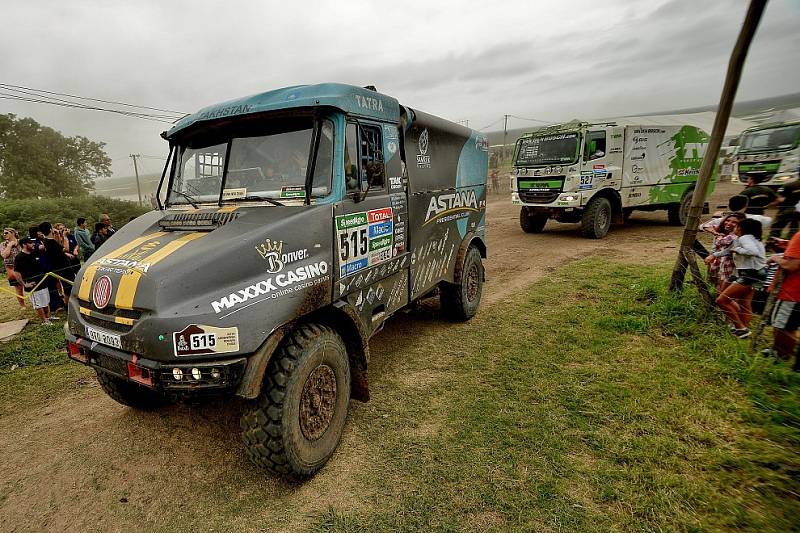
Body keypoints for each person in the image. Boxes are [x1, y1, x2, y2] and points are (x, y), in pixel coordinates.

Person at [714, 218, 767, 338]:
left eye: (737, 226)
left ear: (742, 228)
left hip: (750, 274)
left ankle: (740, 328)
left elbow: (751, 251)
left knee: (722, 300)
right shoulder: (754, 239)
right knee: (745, 303)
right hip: (759, 273)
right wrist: (714, 255)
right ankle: (744, 328)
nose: (735, 228)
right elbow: (728, 250)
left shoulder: (745, 238)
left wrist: (736, 250)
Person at [766, 232, 800, 370]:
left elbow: (792, 265)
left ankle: (782, 357)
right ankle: (779, 352)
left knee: (783, 326)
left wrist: (775, 258)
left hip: (792, 291)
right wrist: (787, 244)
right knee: (787, 325)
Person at [14, 238, 52, 325]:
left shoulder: (34, 253)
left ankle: (48, 318)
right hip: (33, 286)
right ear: (24, 244)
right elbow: (17, 272)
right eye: (30, 243)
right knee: (38, 304)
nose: (33, 244)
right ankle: (44, 321)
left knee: (46, 301)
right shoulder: (20, 257)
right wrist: (24, 284)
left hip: (42, 282)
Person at [703, 213, 744, 293]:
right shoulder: (726, 233)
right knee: (719, 287)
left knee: (724, 292)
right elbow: (704, 225)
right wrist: (715, 232)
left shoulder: (735, 236)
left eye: (734, 222)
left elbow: (724, 243)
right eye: (727, 220)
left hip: (731, 266)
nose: (729, 223)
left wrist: (716, 234)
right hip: (722, 264)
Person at [1, 228, 25, 308]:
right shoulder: (3, 244)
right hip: (11, 268)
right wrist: (10, 245)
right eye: (3, 233)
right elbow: (4, 255)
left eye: (6, 233)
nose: (4, 235)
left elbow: (24, 252)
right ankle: (22, 305)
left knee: (32, 283)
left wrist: (16, 245)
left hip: (24, 266)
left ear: (13, 233)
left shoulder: (21, 242)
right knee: (18, 287)